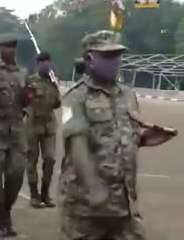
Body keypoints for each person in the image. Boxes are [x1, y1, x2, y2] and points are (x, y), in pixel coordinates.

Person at [59, 30, 176, 240]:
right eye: (108, 56)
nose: (115, 61)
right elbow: (77, 147)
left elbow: (118, 137)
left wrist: (143, 139)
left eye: (117, 55)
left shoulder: (128, 95)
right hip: (87, 207)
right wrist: (94, 187)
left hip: (124, 204)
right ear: (89, 59)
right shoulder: (74, 98)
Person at [0, 32, 34, 237]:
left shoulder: (23, 72)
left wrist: (29, 97)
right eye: (5, 47)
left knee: (17, 173)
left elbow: (25, 100)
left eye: (12, 47)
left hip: (17, 130)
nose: (9, 50)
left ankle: (6, 212)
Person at [25, 51, 61, 208]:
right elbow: (25, 101)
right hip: (33, 125)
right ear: (38, 64)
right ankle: (34, 195)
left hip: (49, 126)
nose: (48, 65)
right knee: (31, 160)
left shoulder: (53, 81)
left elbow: (57, 103)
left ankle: (45, 193)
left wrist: (57, 86)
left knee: (50, 159)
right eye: (44, 62)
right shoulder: (31, 81)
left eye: (49, 62)